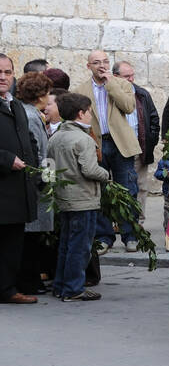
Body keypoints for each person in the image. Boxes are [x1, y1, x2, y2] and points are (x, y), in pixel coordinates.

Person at [47, 93, 111, 302]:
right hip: (83, 200)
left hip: (64, 199)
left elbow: (48, 167)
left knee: (66, 243)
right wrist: (106, 176)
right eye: (89, 111)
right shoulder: (83, 139)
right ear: (81, 113)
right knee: (80, 246)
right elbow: (90, 170)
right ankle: (73, 288)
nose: (91, 115)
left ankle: (61, 285)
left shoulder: (55, 137)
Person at [77, 50, 141, 253]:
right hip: (96, 144)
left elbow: (129, 106)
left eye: (105, 61)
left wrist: (110, 83)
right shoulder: (81, 90)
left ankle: (130, 235)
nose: (102, 65)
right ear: (89, 66)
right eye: (96, 62)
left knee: (127, 190)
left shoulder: (122, 84)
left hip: (120, 142)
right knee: (101, 191)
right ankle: (104, 236)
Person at [0, 55, 39, 304]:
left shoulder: (15, 106)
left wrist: (36, 169)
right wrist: (5, 159)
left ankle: (7, 288)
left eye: (7, 72)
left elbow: (29, 141)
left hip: (17, 189)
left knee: (12, 243)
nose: (2, 77)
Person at [14, 73, 53, 295]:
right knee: (31, 236)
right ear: (39, 95)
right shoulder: (30, 116)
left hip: (38, 178)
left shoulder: (31, 114)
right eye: (47, 93)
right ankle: (29, 281)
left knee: (33, 235)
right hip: (37, 181)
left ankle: (32, 279)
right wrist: (47, 180)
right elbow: (37, 151)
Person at [112, 61, 160, 204]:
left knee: (141, 186)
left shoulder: (142, 94)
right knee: (118, 185)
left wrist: (151, 140)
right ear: (115, 76)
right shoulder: (109, 94)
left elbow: (153, 118)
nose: (131, 79)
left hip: (140, 147)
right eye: (127, 76)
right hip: (118, 148)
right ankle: (119, 224)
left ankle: (139, 222)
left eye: (132, 75)